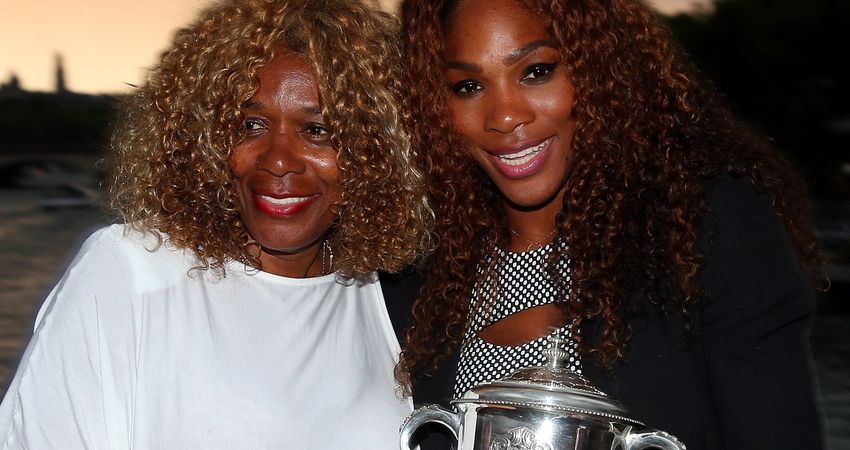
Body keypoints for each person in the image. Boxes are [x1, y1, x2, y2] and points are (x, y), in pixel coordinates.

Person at [390, 0, 826, 448]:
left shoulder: (701, 231)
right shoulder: (419, 259)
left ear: (599, 68)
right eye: (467, 86)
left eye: (536, 72)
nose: (504, 116)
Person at [0, 0, 432, 448]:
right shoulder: (131, 272)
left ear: (380, 153)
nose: (278, 159)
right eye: (250, 124)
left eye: (318, 130)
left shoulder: (391, 300)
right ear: (205, 138)